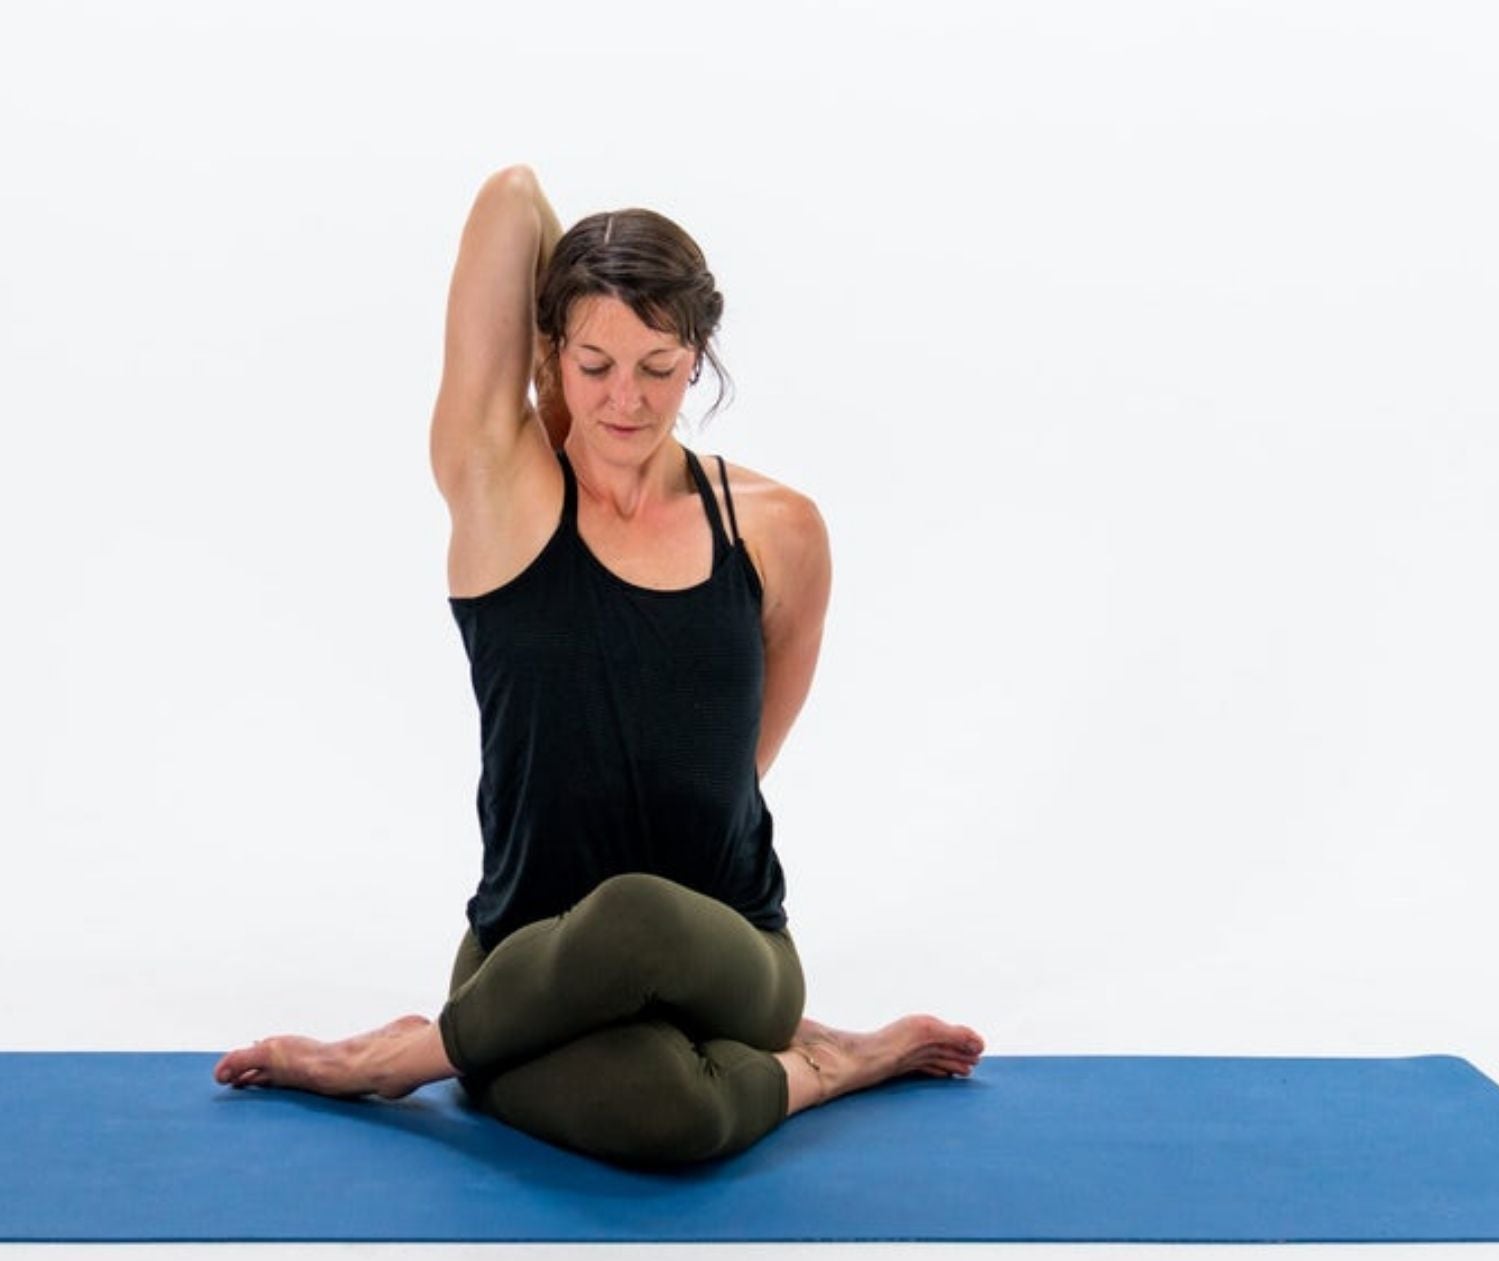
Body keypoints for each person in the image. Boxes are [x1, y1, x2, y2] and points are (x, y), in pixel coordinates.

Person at [212, 164, 983, 1168]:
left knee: (634, 913)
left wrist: (587, 328)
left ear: (698, 358)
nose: (626, 399)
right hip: (524, 951)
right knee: (675, 1117)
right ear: (552, 353)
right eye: (595, 363)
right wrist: (567, 332)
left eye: (659, 366)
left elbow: (736, 769)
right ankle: (816, 1067)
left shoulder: (778, 530)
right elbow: (510, 198)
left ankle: (406, 1057)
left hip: (732, 959)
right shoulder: (504, 497)